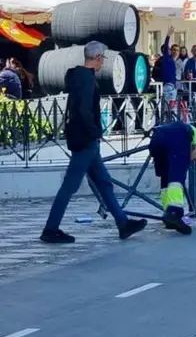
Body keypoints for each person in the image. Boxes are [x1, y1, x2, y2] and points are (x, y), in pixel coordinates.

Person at [40, 41, 148, 243]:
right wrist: (95, 131)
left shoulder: (79, 77)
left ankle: (123, 223)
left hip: (84, 138)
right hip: (86, 140)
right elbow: (84, 110)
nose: (103, 63)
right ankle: (50, 229)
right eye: (102, 58)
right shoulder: (86, 79)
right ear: (97, 57)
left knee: (103, 182)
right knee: (70, 185)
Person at [150, 121, 196, 234]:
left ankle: (167, 213)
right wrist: (184, 161)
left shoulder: (170, 126)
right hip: (175, 140)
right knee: (176, 179)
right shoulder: (194, 132)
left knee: (165, 179)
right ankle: (174, 212)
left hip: (156, 138)